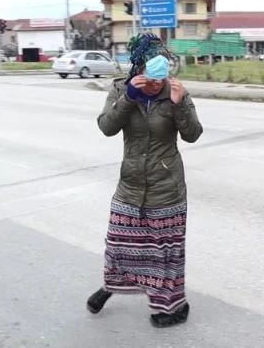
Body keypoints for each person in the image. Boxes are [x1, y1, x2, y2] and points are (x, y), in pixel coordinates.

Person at [88, 33, 203, 328]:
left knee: (166, 255)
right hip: (130, 186)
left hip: (167, 188)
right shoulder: (121, 90)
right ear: (138, 70)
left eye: (160, 79)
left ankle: (173, 306)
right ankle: (112, 286)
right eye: (150, 78)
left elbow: (193, 134)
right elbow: (106, 127)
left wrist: (179, 104)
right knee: (119, 245)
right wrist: (129, 98)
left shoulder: (175, 93)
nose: (155, 85)